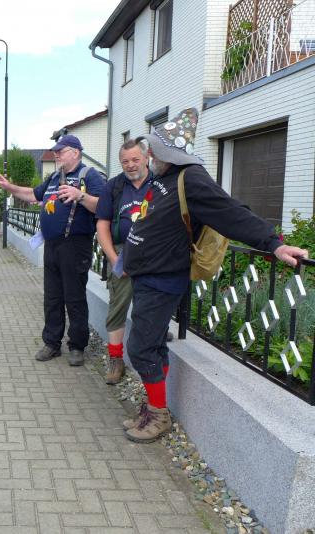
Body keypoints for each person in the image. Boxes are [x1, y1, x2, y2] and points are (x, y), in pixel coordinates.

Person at [121, 108, 307, 443]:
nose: (149, 156)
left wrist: (274, 243)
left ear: (168, 153)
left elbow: (230, 211)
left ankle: (159, 415)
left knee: (140, 348)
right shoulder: (164, 176)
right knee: (153, 344)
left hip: (162, 280)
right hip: (147, 276)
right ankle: (154, 406)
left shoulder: (190, 178)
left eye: (154, 151)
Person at [0, 134, 105, 366]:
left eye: (60, 151)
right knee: (52, 297)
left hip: (75, 245)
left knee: (74, 298)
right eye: (55, 152)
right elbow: (32, 194)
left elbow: (104, 206)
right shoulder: (54, 177)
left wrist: (80, 195)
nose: (56, 155)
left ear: (75, 152)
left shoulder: (89, 175)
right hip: (52, 246)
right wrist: (9, 187)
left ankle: (77, 346)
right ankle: (52, 343)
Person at [95, 139, 152, 385]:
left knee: (152, 302)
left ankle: (153, 347)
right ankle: (116, 359)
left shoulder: (160, 183)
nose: (130, 165)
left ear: (147, 158)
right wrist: (114, 259)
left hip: (154, 254)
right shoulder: (114, 186)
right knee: (118, 305)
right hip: (121, 252)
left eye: (135, 159)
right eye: (125, 161)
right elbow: (102, 225)